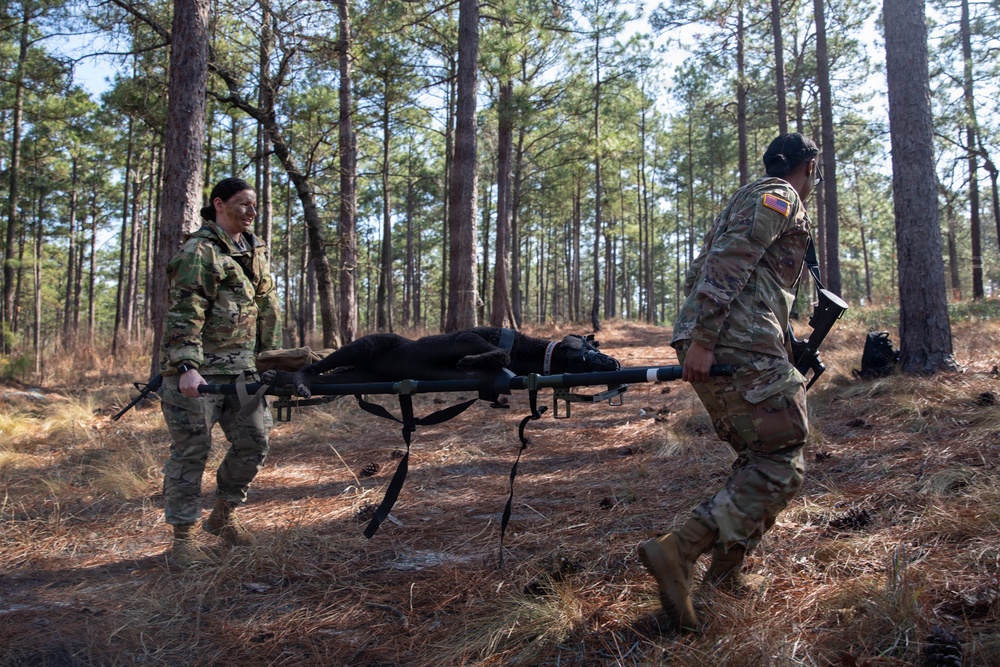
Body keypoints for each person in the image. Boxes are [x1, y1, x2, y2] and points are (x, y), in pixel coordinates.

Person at [639, 133, 821, 630]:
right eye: (814, 174)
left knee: (759, 456)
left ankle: (726, 575)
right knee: (781, 457)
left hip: (730, 338)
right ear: (806, 166)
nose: (813, 184)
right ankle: (680, 551)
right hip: (730, 341)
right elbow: (729, 261)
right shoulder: (780, 196)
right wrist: (704, 338)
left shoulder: (748, 198)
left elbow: (737, 268)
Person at [158, 177, 281, 566]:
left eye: (255, 205)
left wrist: (270, 360)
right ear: (219, 204)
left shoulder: (253, 249)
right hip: (199, 374)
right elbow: (184, 309)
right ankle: (183, 540)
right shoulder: (200, 251)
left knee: (254, 441)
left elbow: (264, 309)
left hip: (244, 370)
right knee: (192, 451)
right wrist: (187, 367)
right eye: (243, 204)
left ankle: (224, 515)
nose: (251, 211)